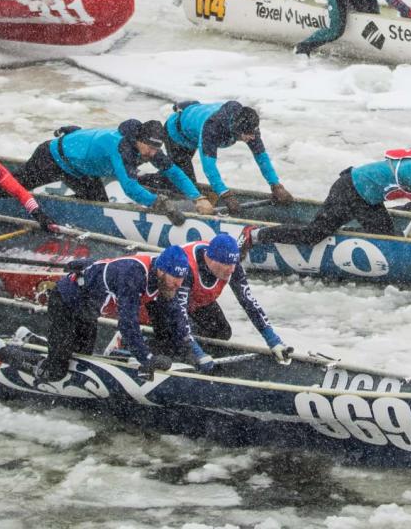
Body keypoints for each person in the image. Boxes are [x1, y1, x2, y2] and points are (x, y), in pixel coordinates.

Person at [238, 138, 411, 254]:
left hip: (368, 201)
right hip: (348, 189)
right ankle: (257, 234)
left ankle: (352, 238)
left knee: (389, 241)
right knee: (313, 234)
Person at [36, 245, 212, 382]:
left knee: (82, 361)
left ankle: (39, 344)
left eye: (182, 278)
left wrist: (195, 352)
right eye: (175, 278)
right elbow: (128, 324)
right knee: (58, 369)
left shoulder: (165, 281)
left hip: (88, 311)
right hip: (66, 301)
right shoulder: (133, 274)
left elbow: (176, 316)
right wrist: (147, 359)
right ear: (161, 270)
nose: (179, 284)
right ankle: (22, 359)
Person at [11, 120, 197, 223]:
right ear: (139, 140)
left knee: (98, 205)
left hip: (80, 171)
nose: (152, 153)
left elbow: (174, 172)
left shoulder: (149, 148)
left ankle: (63, 213)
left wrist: (197, 197)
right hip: (52, 158)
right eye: (149, 148)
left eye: (156, 149)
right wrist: (159, 204)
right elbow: (130, 188)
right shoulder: (122, 147)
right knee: (12, 186)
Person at [160, 101, 293, 216]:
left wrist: (276, 185)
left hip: (193, 133)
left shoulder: (249, 125)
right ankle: (150, 185)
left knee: (183, 178)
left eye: (253, 134)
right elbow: (209, 167)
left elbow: (262, 157)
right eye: (248, 135)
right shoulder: (212, 128)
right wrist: (225, 194)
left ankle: (162, 178)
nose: (252, 138)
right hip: (176, 134)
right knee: (186, 182)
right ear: (236, 130)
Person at [173, 233, 290, 363]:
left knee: (222, 331)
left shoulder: (232, 266)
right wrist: (196, 352)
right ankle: (181, 354)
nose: (232, 270)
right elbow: (178, 313)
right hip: (164, 305)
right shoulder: (186, 266)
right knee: (188, 331)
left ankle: (204, 355)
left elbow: (249, 302)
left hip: (197, 301)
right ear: (211, 260)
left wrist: (273, 341)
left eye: (234, 264)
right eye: (227, 265)